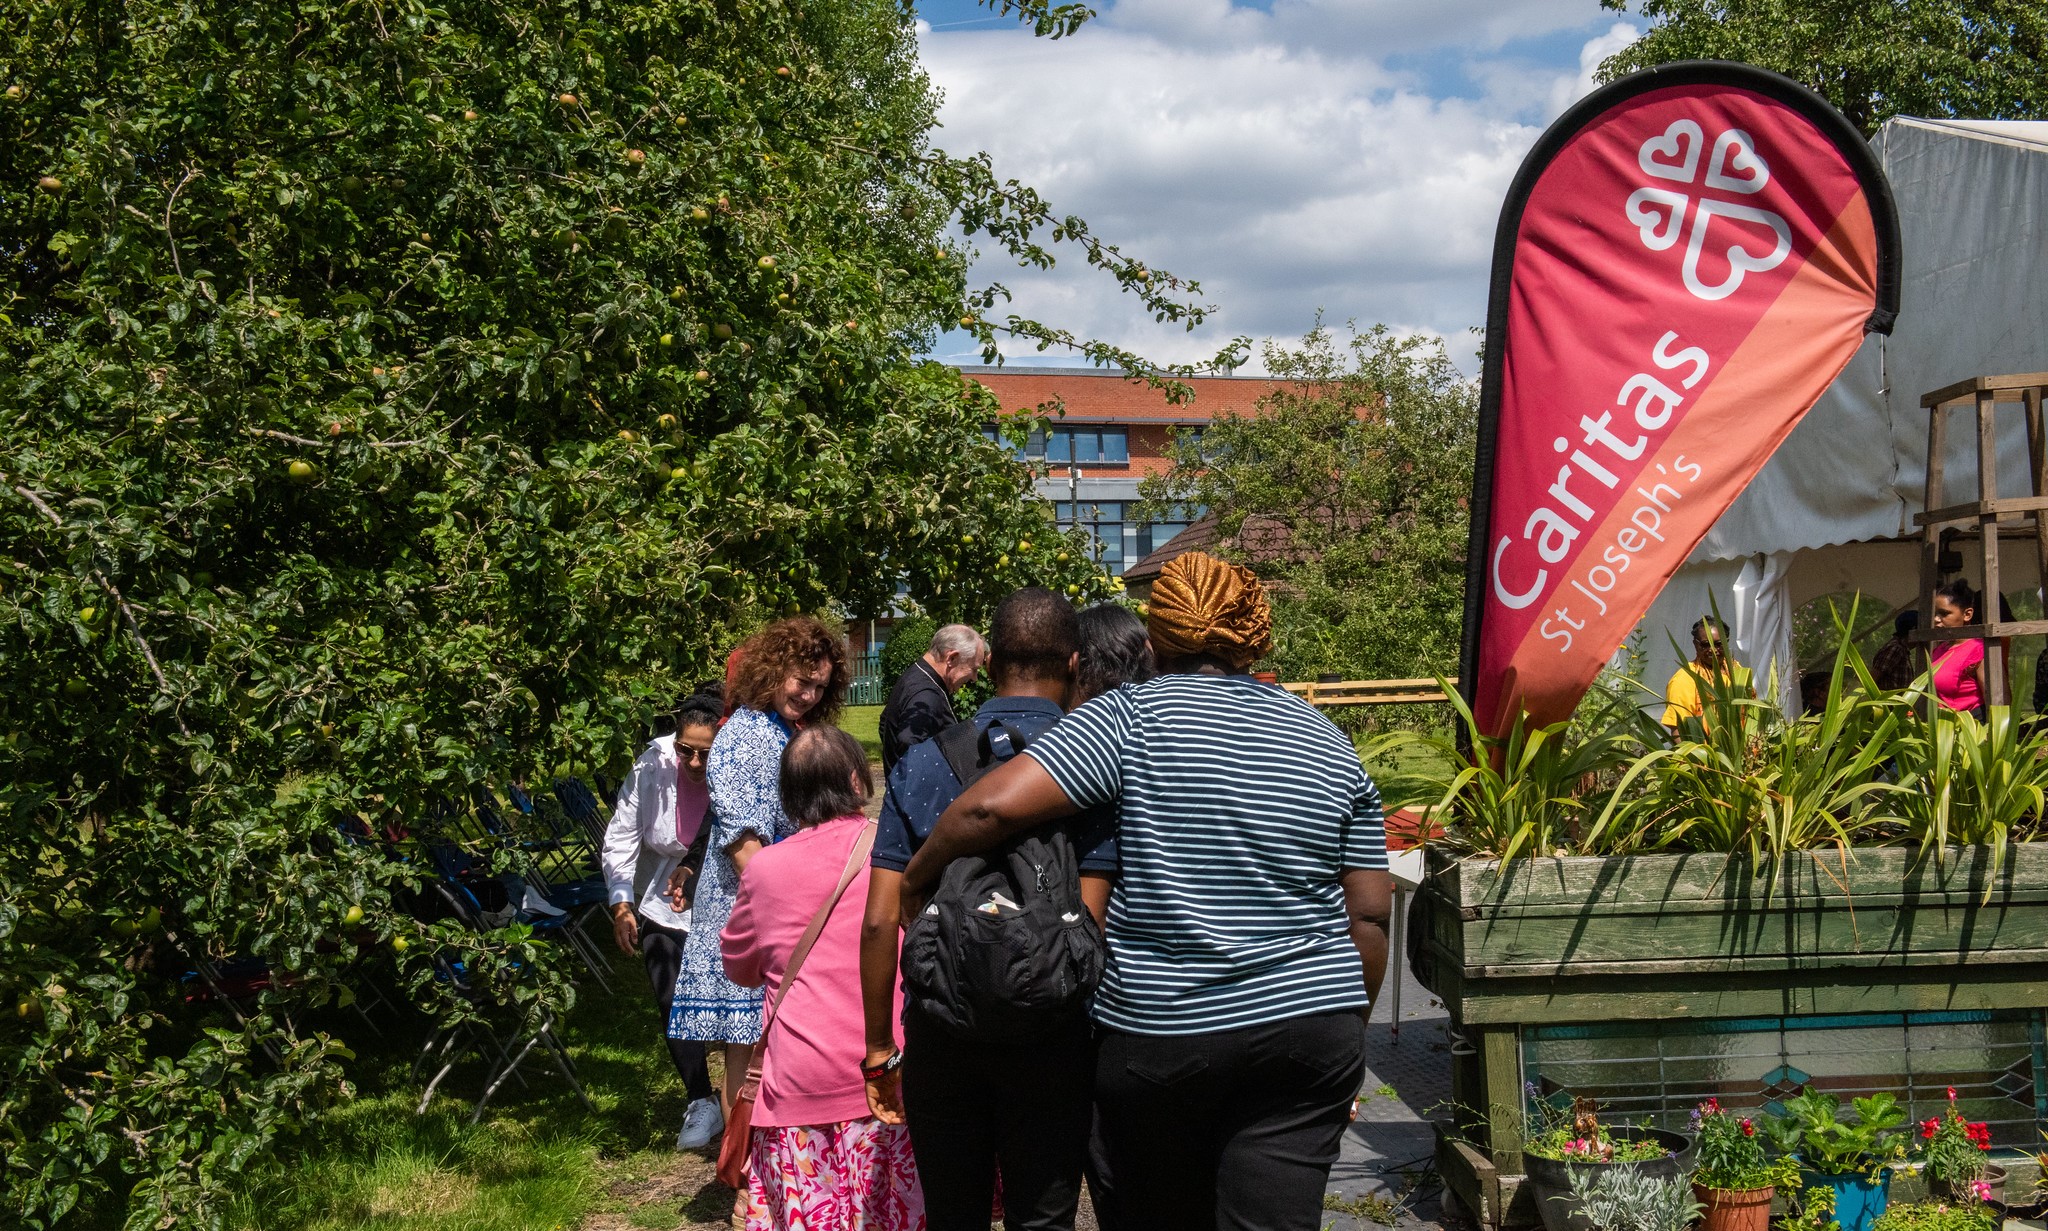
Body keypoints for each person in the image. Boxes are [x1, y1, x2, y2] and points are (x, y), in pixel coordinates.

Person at [901, 552, 1392, 1231]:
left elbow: (990, 810)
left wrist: (920, 876)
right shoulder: (1327, 740)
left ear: (1156, 639)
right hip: (1308, 1032)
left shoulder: (1130, 717)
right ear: (1253, 637)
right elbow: (1369, 915)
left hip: (1165, 1033)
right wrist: (1346, 1026)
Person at [860, 589, 1116, 1231]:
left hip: (945, 1028)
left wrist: (876, 1045)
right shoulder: (1093, 764)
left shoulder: (924, 761)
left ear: (992, 657)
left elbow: (877, 917)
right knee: (1045, 1216)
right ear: (1077, 664)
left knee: (954, 1212)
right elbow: (1092, 918)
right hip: (1053, 1037)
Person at [721, 724, 924, 1231]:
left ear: (788, 796)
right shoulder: (894, 855)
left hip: (797, 1088)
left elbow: (739, 966)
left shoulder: (764, 869)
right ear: (858, 780)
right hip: (891, 1076)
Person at [670, 617, 851, 1118]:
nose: (810, 694)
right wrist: (793, 913)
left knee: (766, 1049)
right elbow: (745, 846)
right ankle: (745, 1178)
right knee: (746, 1055)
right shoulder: (745, 736)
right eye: (802, 680)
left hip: (777, 905)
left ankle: (762, 1172)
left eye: (820, 685)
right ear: (773, 670)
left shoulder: (780, 729)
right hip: (749, 910)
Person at [603, 695, 722, 1148]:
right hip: (660, 898)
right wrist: (621, 902)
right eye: (684, 749)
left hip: (721, 894)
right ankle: (700, 1100)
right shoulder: (651, 767)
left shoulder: (740, 770)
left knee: (728, 999)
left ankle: (742, 1095)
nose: (693, 761)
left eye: (704, 753)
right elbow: (622, 835)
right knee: (670, 995)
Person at [880, 624, 987, 772]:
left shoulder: (916, 675)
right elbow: (909, 743)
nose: (974, 678)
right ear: (952, 658)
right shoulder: (927, 694)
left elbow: (885, 722)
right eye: (974, 669)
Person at [1660, 616, 1752, 737]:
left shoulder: (1738, 673)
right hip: (1704, 752)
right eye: (1705, 644)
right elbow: (1678, 729)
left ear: (1726, 642)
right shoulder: (1685, 678)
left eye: (1718, 644)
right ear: (1695, 644)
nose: (1713, 650)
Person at [1930, 578, 1989, 718]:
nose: (1936, 619)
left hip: (1968, 730)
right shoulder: (1939, 650)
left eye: (1944, 613)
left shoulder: (1978, 650)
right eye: (1935, 614)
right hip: (1940, 730)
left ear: (1967, 614)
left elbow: (1997, 699)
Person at [1870, 608, 1924, 692]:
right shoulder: (1896, 648)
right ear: (1914, 629)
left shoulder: (1902, 649)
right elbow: (1871, 679)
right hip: (1889, 704)